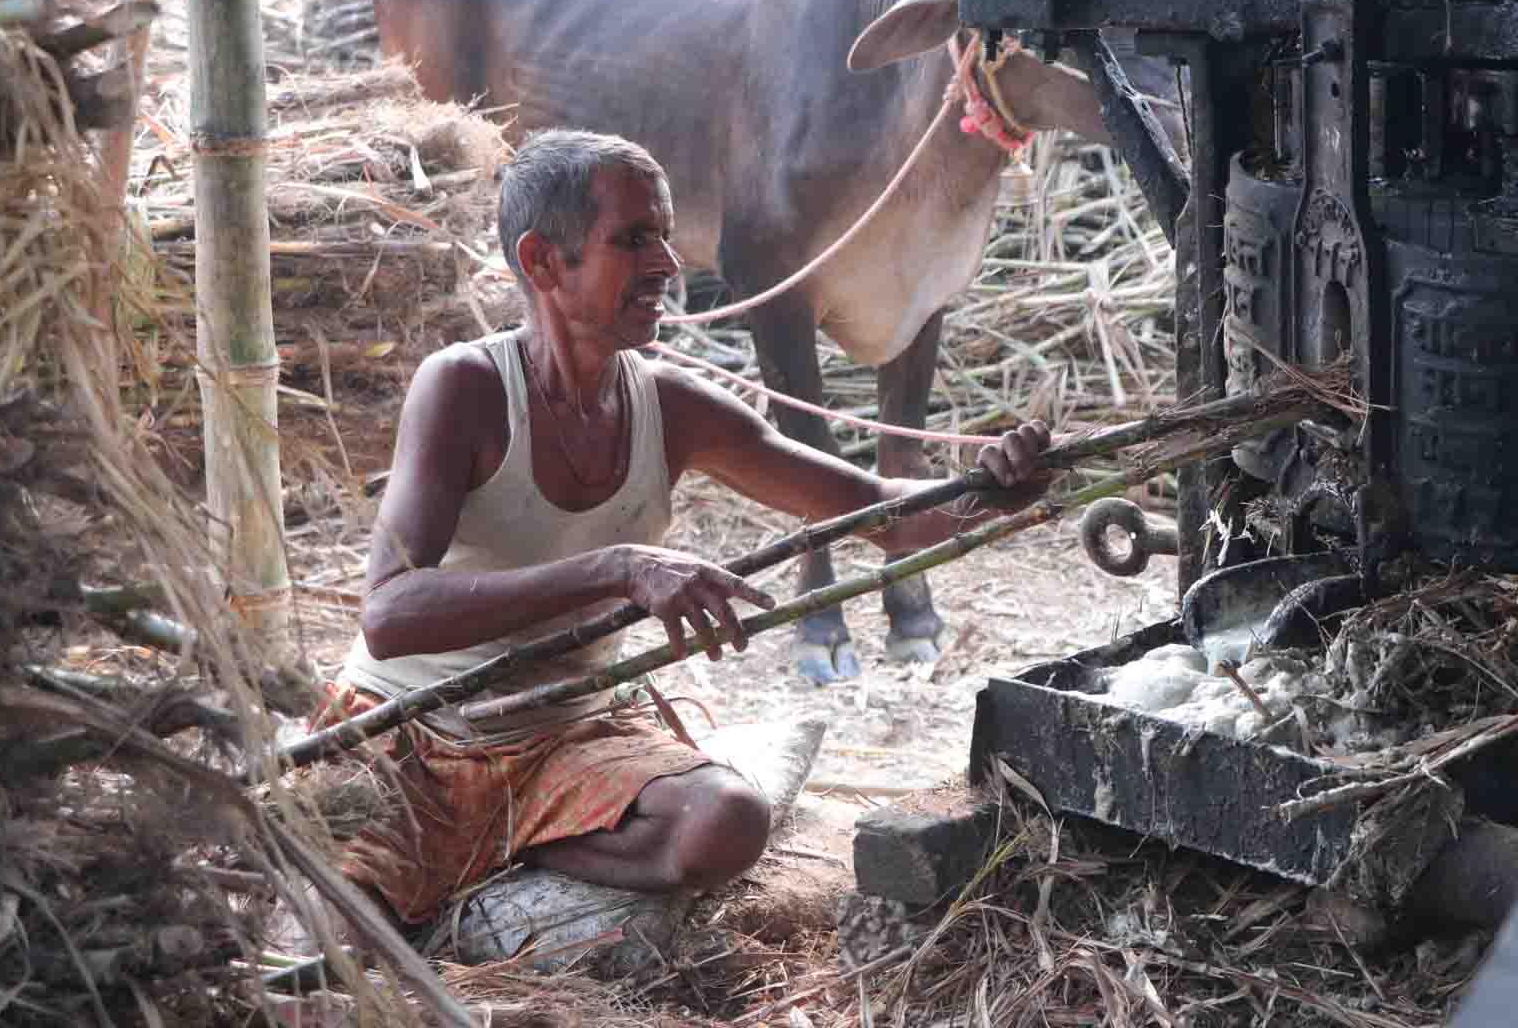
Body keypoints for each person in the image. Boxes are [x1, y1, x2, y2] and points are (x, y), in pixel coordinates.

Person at [318, 129, 1053, 930]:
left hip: (566, 731)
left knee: (727, 821)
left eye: (665, 236)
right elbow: (389, 617)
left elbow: (874, 508)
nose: (668, 265)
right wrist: (619, 568)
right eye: (634, 240)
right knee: (327, 935)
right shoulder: (465, 388)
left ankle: (505, 839)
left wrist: (994, 490)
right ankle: (499, 838)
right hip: (416, 732)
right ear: (542, 264)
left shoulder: (669, 405)